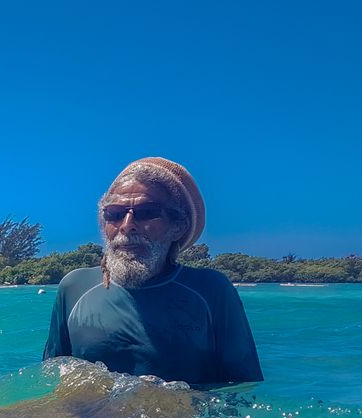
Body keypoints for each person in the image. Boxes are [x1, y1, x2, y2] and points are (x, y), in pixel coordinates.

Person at [43, 157, 263, 386]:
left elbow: (244, 387)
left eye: (147, 212)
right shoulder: (74, 287)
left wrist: (162, 402)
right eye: (115, 213)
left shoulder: (211, 290)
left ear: (178, 226)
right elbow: (50, 377)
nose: (127, 224)